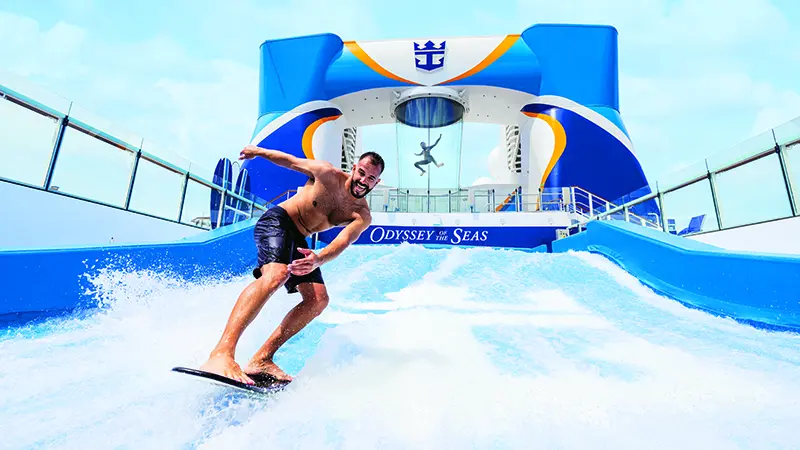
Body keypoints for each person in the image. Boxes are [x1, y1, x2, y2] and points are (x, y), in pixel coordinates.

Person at [199, 144, 385, 385]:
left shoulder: (362, 214)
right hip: (278, 221)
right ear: (354, 168)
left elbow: (343, 241)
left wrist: (318, 258)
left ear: (376, 183)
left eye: (371, 178)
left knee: (318, 300)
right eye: (361, 172)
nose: (363, 181)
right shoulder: (326, 173)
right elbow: (289, 160)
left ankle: (262, 359)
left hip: (299, 240)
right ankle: (221, 354)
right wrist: (259, 151)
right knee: (275, 276)